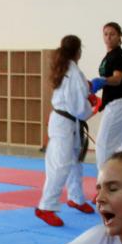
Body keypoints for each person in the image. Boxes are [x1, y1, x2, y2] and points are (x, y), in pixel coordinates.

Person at [35, 35, 95, 227]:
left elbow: (77, 96)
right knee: (60, 165)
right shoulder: (73, 72)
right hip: (65, 123)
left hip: (66, 122)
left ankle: (76, 198)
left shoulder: (66, 68)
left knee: (75, 161)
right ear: (79, 52)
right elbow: (79, 107)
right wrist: (93, 107)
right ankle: (46, 206)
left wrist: (88, 94)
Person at [92, 22, 122, 173]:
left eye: (112, 34)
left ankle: (103, 183)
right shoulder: (109, 56)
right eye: (106, 34)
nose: (108, 37)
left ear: (120, 37)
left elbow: (117, 79)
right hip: (119, 102)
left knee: (103, 144)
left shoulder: (119, 55)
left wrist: (102, 81)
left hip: (119, 103)